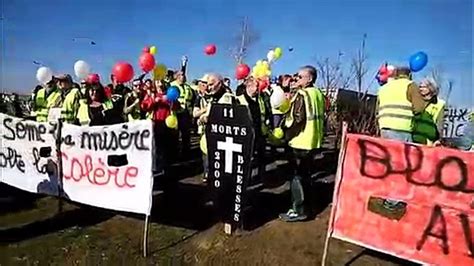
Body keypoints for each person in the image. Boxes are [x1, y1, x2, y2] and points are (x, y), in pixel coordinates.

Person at [279, 65, 325, 222]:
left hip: (300, 141)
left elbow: (298, 119)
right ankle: (307, 207)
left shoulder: (303, 94)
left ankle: (298, 210)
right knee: (306, 176)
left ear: (309, 79)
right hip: (313, 140)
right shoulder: (318, 93)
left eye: (299, 77)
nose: (295, 79)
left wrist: (285, 135)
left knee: (297, 177)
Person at [198, 73, 235, 181]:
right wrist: (203, 118)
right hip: (212, 135)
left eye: (211, 84)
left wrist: (207, 119)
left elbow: (224, 116)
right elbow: (210, 112)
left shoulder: (227, 97)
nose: (209, 88)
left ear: (219, 83)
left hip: (223, 138)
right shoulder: (213, 98)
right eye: (208, 85)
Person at [377, 67, 426, 142]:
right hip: (402, 129)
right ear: (409, 75)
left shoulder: (383, 88)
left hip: (384, 128)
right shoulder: (410, 85)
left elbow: (377, 110)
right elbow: (419, 108)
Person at [236, 76, 271, 179]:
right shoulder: (239, 100)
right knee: (247, 159)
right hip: (246, 135)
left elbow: (267, 113)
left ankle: (262, 176)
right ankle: (246, 178)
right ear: (248, 86)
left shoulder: (261, 99)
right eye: (256, 86)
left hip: (260, 133)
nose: (258, 88)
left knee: (261, 158)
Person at [141, 79, 177, 174]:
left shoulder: (169, 94)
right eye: (157, 82)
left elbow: (177, 107)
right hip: (157, 124)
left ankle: (167, 169)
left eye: (161, 81)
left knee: (168, 148)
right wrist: (154, 101)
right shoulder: (152, 95)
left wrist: (172, 101)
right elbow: (145, 107)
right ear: (154, 84)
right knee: (158, 148)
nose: (160, 83)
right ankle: (158, 169)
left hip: (169, 124)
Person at [412, 78, 446, 146]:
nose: (420, 89)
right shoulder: (416, 100)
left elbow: (440, 123)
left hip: (430, 138)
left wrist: (439, 139)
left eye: (423, 87)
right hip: (415, 135)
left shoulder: (440, 103)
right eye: (420, 87)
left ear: (431, 88)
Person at [171, 70, 194, 159]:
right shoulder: (172, 85)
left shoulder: (188, 87)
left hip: (186, 113)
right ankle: (174, 154)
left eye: (183, 75)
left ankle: (186, 153)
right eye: (180, 75)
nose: (183, 76)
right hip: (176, 113)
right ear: (176, 76)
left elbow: (192, 98)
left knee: (186, 134)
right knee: (175, 135)